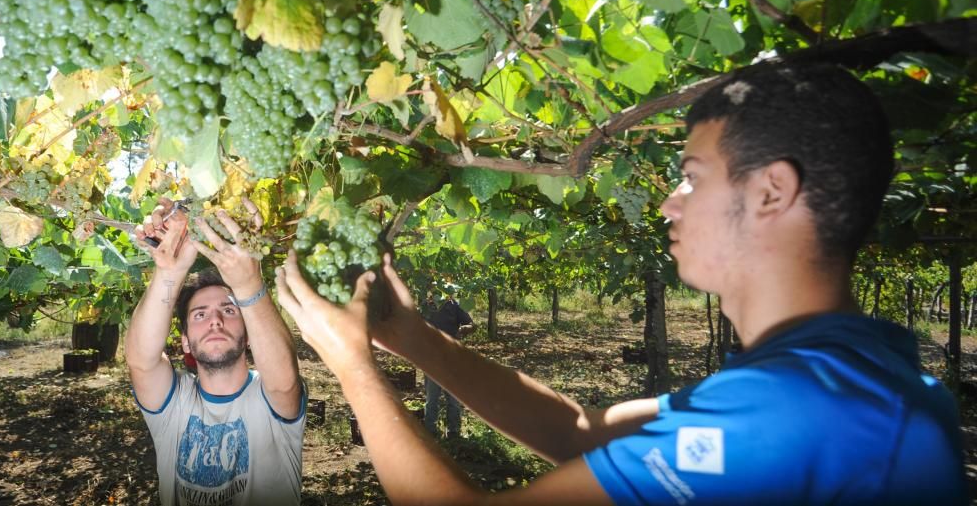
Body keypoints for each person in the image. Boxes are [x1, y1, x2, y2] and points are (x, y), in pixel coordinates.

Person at [273, 62, 967, 505]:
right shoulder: (841, 376)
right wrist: (414, 340)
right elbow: (579, 429)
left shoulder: (801, 408)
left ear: (770, 192)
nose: (669, 202)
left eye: (693, 176)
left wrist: (352, 367)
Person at [125, 199, 306, 506]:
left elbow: (284, 381)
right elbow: (141, 361)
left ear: (249, 335)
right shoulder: (174, 404)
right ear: (184, 342)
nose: (215, 320)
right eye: (199, 315)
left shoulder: (268, 395)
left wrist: (249, 286)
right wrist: (171, 271)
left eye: (228, 309)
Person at [421, 283, 475, 438]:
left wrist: (464, 329)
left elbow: (471, 325)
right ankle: (430, 432)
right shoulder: (425, 307)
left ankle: (453, 433)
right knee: (432, 398)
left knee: (453, 399)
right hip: (432, 359)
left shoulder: (454, 306)